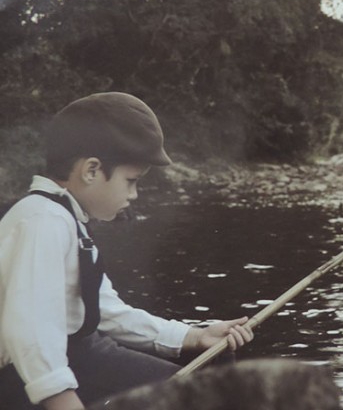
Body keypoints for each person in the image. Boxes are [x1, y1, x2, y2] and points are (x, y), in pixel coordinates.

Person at [0, 92, 254, 410]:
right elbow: (30, 328)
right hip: (21, 379)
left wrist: (191, 337)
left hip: (75, 355)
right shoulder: (42, 220)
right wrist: (59, 398)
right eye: (131, 181)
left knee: (209, 371)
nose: (134, 195)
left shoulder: (67, 221)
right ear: (91, 170)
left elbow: (107, 314)